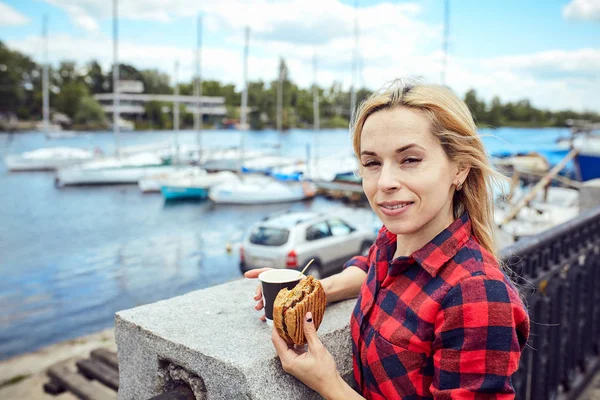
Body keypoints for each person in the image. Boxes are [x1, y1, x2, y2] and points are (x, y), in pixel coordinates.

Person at [245, 79, 530, 399]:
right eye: (372, 163)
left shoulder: (477, 294)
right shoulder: (393, 239)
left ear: (460, 168)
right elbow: (372, 268)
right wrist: (308, 292)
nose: (385, 182)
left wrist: (328, 383)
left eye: (410, 159)